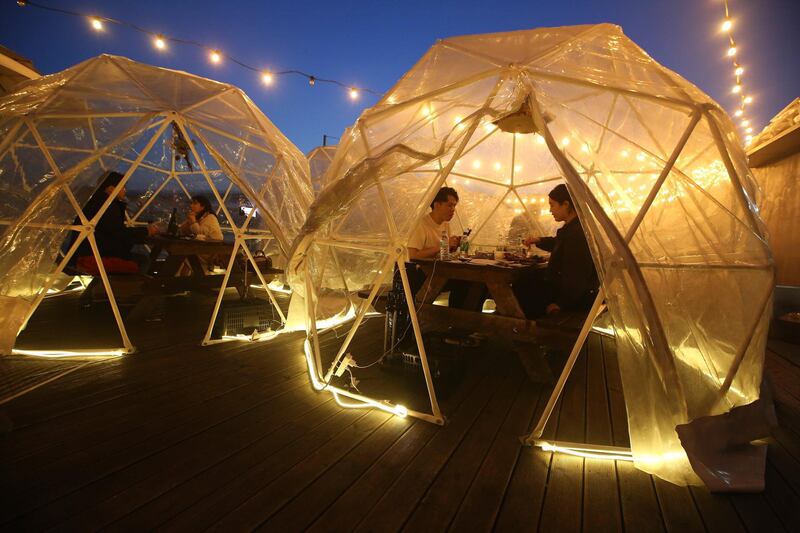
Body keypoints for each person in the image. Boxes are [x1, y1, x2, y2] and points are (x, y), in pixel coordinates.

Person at [517, 183, 598, 317]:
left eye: (552, 205)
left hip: (573, 301)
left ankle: (518, 331)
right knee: (527, 282)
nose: (550, 210)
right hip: (570, 294)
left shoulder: (577, 234)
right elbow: (559, 243)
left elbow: (576, 277)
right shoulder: (574, 228)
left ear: (565, 205)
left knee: (521, 287)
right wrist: (539, 240)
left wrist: (561, 304)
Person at [73, 171, 157, 273]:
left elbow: (112, 232)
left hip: (82, 253)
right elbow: (118, 233)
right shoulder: (107, 206)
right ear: (111, 189)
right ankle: (133, 287)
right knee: (143, 260)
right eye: (122, 187)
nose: (125, 191)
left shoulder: (93, 202)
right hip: (96, 255)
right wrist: (146, 231)